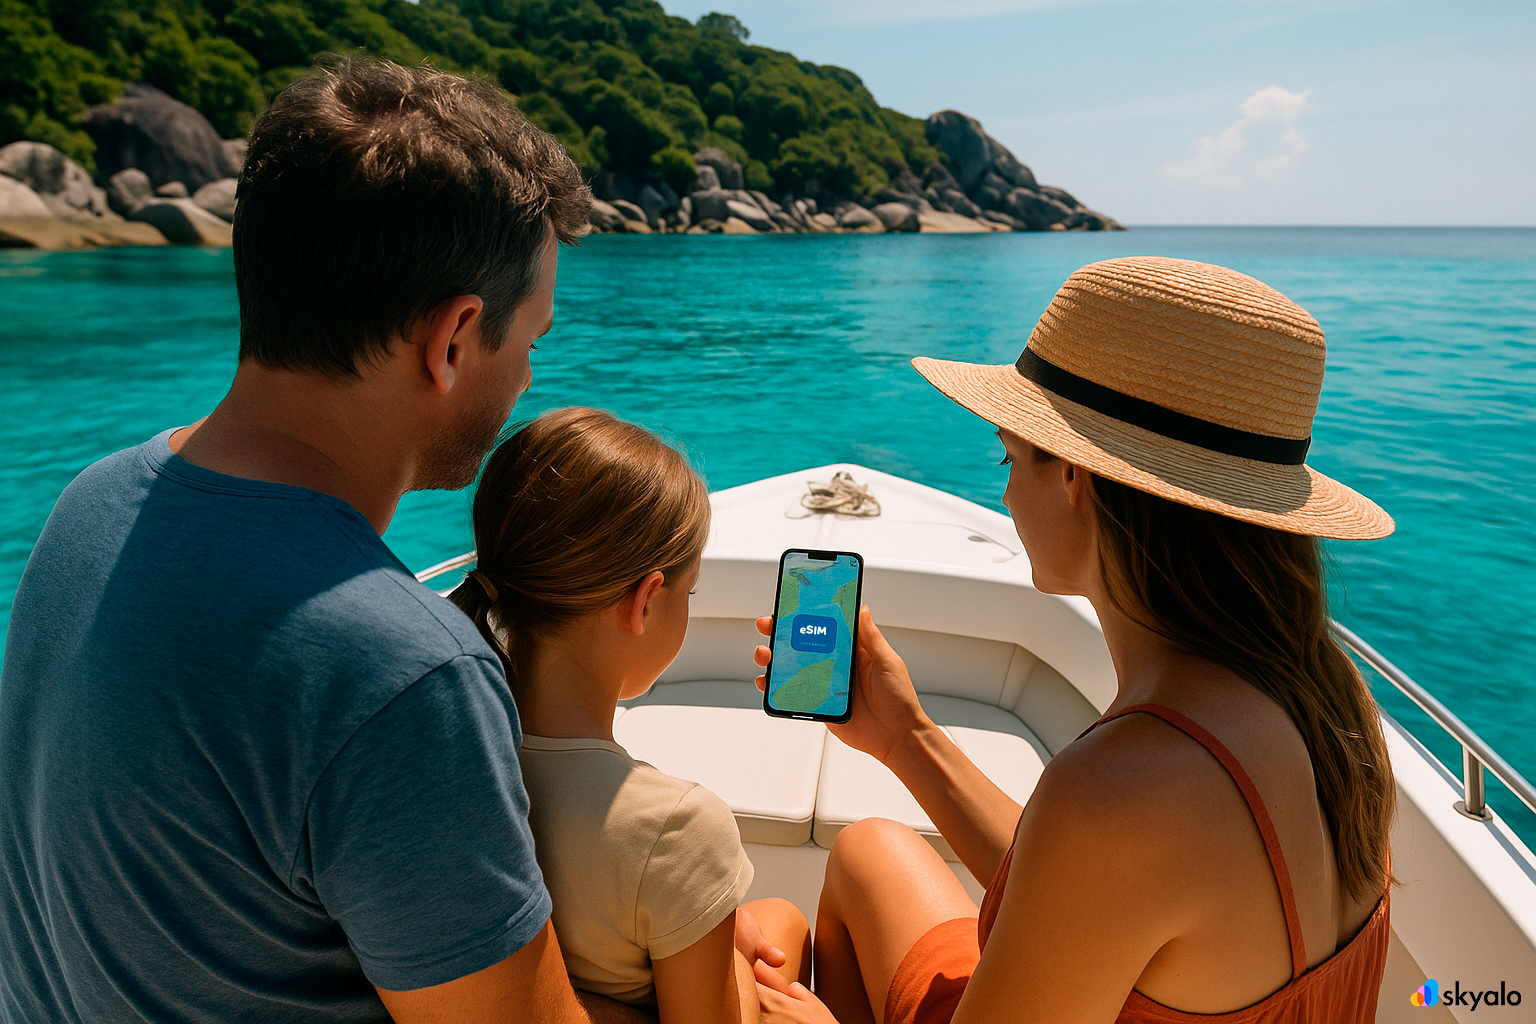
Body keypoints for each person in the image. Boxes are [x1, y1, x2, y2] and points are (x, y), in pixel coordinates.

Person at [0, 59, 655, 1024]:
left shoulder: (89, 505)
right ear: (453, 339)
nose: (526, 380)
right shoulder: (400, 674)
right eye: (531, 342)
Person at [751, 257, 1397, 1024]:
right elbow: (1098, 895)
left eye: (1010, 455)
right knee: (868, 850)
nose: (1004, 491)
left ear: (1073, 478)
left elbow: (1109, 852)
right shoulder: (1328, 695)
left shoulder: (1126, 790)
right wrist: (906, 737)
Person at [448, 407, 813, 1023]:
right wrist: (726, 954)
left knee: (777, 918)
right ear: (645, 601)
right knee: (782, 935)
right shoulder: (677, 830)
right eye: (688, 592)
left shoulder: (449, 758)